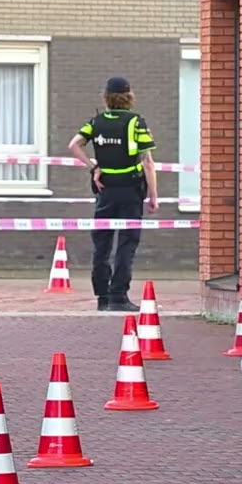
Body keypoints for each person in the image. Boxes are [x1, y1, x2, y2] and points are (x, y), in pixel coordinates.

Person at [67, 76, 159, 312]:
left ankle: (102, 297)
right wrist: (153, 196)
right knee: (127, 243)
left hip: (105, 190)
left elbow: (74, 145)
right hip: (130, 190)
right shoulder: (136, 123)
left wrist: (93, 166)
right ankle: (119, 296)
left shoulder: (96, 122)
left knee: (102, 244)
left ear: (106, 97)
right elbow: (148, 162)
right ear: (129, 97)